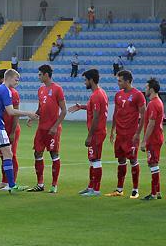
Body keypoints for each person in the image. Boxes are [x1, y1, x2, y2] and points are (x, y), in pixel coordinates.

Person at [0, 69, 37, 193]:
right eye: (16, 80)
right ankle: (12, 185)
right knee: (8, 154)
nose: (17, 83)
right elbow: (10, 111)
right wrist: (28, 113)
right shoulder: (5, 90)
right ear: (9, 77)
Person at [105, 70, 146, 199]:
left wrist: (138, 133)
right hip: (120, 134)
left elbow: (143, 115)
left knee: (133, 160)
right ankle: (119, 189)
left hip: (131, 135)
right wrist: (112, 130)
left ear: (127, 81)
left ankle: (135, 190)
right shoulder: (118, 95)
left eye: (120, 81)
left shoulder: (138, 95)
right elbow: (115, 113)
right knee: (121, 161)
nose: (118, 83)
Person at [68, 68, 108, 197]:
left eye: (85, 80)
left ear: (91, 80)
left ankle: (96, 190)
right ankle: (91, 187)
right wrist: (81, 107)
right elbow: (95, 109)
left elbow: (96, 117)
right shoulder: (100, 93)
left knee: (96, 160)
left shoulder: (96, 95)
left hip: (96, 133)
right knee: (92, 159)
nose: (84, 82)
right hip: (98, 131)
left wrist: (89, 136)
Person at [28, 64, 67, 193]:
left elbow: (64, 110)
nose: (38, 77)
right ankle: (40, 184)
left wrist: (55, 126)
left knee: (54, 154)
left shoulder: (57, 89)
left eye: (40, 74)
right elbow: (40, 108)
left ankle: (54, 185)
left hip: (52, 129)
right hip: (41, 129)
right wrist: (33, 116)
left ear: (46, 75)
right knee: (37, 153)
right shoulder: (40, 89)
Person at [0, 69, 22, 190]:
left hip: (11, 129)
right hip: (2, 128)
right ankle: (4, 181)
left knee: (11, 155)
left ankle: (11, 182)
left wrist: (13, 132)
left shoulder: (13, 93)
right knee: (3, 155)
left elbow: (15, 114)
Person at [140, 78, 165, 201]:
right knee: (153, 163)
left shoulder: (153, 103)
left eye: (146, 87)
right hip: (157, 137)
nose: (145, 90)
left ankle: (154, 193)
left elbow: (151, 123)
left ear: (151, 89)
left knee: (153, 163)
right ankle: (158, 192)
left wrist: (144, 140)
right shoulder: (158, 102)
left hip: (153, 139)